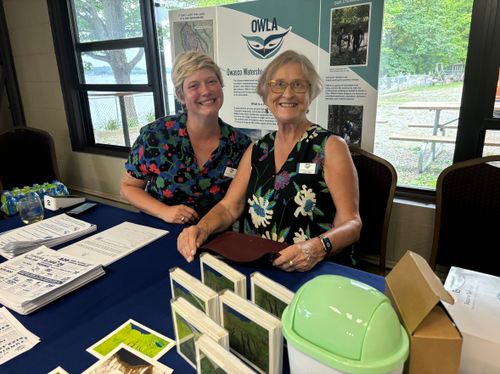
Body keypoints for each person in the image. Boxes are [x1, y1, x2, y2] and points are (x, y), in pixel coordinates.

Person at [177, 50, 361, 272]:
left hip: (311, 268)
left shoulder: (330, 146)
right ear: (266, 96)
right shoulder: (257, 149)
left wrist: (317, 247)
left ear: (310, 95)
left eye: (298, 85)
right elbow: (229, 207)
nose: (288, 94)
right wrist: (201, 229)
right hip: (257, 264)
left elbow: (352, 223)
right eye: (279, 84)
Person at [121, 52, 251, 224]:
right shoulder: (156, 136)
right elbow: (128, 187)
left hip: (213, 239)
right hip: (160, 232)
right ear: (180, 95)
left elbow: (235, 204)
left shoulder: (240, 145)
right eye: (194, 86)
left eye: (212, 81)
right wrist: (163, 211)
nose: (205, 91)